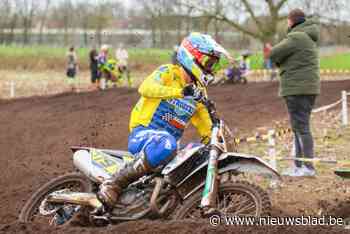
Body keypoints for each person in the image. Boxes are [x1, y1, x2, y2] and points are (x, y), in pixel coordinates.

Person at [94, 33, 231, 214]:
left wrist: (217, 148)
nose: (210, 68)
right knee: (167, 142)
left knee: (199, 153)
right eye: (208, 62)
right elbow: (145, 88)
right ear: (192, 57)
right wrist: (180, 92)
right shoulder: (168, 72)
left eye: (213, 64)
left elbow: (206, 127)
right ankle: (114, 183)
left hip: (168, 146)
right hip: (144, 134)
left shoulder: (199, 92)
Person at [269, 9, 320, 177]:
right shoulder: (307, 36)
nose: (286, 24)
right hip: (307, 88)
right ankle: (299, 166)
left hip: (297, 89)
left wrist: (273, 54)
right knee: (299, 127)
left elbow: (274, 53)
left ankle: (308, 168)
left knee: (302, 128)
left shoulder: (296, 37)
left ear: (292, 21)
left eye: (287, 21)